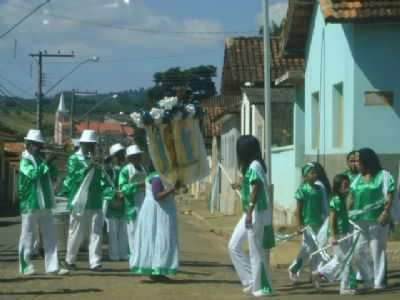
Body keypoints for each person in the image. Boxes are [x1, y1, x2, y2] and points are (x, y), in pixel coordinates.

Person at [229, 135, 274, 297]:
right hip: (249, 211)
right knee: (233, 246)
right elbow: (250, 184)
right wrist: (240, 185)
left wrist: (249, 212)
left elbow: (255, 189)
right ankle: (250, 280)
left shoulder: (254, 166)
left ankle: (262, 287)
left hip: (255, 212)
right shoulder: (252, 166)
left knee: (256, 252)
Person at [18, 129, 67, 275]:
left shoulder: (40, 159)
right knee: (27, 235)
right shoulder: (25, 160)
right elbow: (33, 175)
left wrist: (51, 163)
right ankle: (25, 266)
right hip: (30, 203)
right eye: (36, 144)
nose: (39, 147)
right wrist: (47, 161)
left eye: (40, 144)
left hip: (45, 202)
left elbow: (52, 177)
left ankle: (53, 266)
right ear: (29, 145)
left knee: (50, 235)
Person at [349, 148, 395, 290]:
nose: (356, 164)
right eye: (355, 161)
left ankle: (379, 282)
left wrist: (386, 212)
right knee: (358, 250)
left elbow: (390, 193)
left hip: (377, 219)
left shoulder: (384, 175)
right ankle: (368, 277)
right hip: (358, 220)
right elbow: (351, 197)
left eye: (358, 161)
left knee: (377, 250)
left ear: (367, 161)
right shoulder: (356, 179)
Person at [63, 129, 105, 271]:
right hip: (79, 201)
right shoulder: (74, 159)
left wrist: (99, 164)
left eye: (93, 145)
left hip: (95, 200)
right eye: (88, 144)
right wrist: (89, 166)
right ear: (82, 144)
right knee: (75, 232)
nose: (90, 147)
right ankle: (70, 260)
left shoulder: (97, 159)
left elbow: (101, 179)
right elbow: (73, 178)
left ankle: (95, 262)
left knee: (96, 232)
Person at [131, 163, 180, 281]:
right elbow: (157, 196)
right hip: (159, 213)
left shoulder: (160, 177)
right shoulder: (157, 177)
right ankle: (158, 270)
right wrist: (173, 189)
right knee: (161, 239)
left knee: (156, 239)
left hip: (158, 212)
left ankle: (156, 270)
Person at [312, 174, 357, 295]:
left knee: (338, 260)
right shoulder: (335, 200)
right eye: (345, 186)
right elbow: (332, 219)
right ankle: (344, 287)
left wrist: (351, 195)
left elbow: (348, 209)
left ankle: (318, 274)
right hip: (337, 235)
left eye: (348, 185)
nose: (347, 188)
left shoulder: (342, 199)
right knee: (345, 260)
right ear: (338, 187)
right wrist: (332, 236)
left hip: (343, 233)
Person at [288, 163, 325, 282]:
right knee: (307, 249)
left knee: (317, 250)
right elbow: (298, 210)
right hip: (307, 225)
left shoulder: (319, 189)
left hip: (319, 223)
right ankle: (294, 268)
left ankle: (314, 275)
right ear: (305, 176)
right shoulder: (302, 190)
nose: (315, 175)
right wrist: (299, 225)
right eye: (312, 173)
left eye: (315, 173)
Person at [119, 144, 146, 269]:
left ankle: (142, 259)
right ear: (130, 158)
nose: (138, 158)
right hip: (132, 206)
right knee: (133, 234)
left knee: (143, 233)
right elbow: (123, 188)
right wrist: (138, 185)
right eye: (135, 156)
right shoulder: (125, 170)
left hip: (144, 204)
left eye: (139, 155)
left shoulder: (143, 168)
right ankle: (134, 261)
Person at [104, 143, 128, 261]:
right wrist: (114, 193)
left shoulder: (127, 168)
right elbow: (105, 185)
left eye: (122, 154)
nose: (122, 156)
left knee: (123, 230)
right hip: (112, 204)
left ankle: (123, 254)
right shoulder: (109, 170)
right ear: (113, 157)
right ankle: (114, 255)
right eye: (119, 155)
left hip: (124, 203)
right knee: (112, 231)